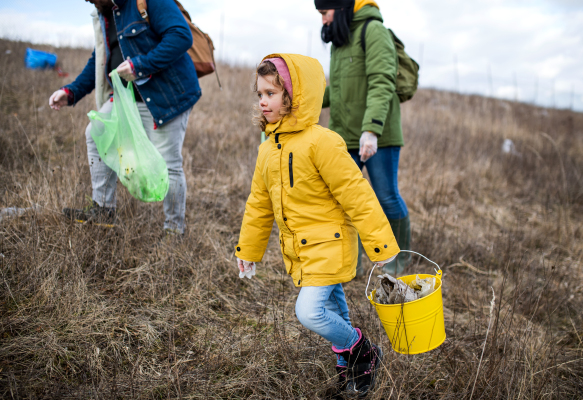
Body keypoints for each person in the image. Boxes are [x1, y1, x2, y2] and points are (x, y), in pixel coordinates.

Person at [234, 54, 399, 397]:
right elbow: (259, 205)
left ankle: (362, 349)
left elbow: (357, 194)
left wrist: (380, 244)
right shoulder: (268, 149)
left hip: (330, 245)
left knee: (309, 312)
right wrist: (248, 250)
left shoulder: (322, 141)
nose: (263, 101)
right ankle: (354, 365)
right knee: (334, 306)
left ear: (294, 97)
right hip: (302, 249)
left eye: (271, 93)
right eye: (260, 93)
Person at [49, 0, 200, 237]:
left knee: (168, 163)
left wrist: (139, 65)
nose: (90, 1)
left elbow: (181, 36)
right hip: (127, 97)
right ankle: (103, 210)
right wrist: (72, 91)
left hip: (167, 96)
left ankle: (173, 232)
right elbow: (101, 58)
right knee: (96, 131)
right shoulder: (105, 13)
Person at [317, 0, 411, 276]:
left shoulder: (374, 31)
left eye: (324, 12)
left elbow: (382, 81)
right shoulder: (340, 39)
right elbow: (335, 91)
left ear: (341, 6)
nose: (323, 20)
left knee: (386, 197)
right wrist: (295, 102)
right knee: (342, 200)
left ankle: (397, 260)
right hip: (344, 136)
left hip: (378, 135)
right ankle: (350, 263)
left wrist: (371, 130)